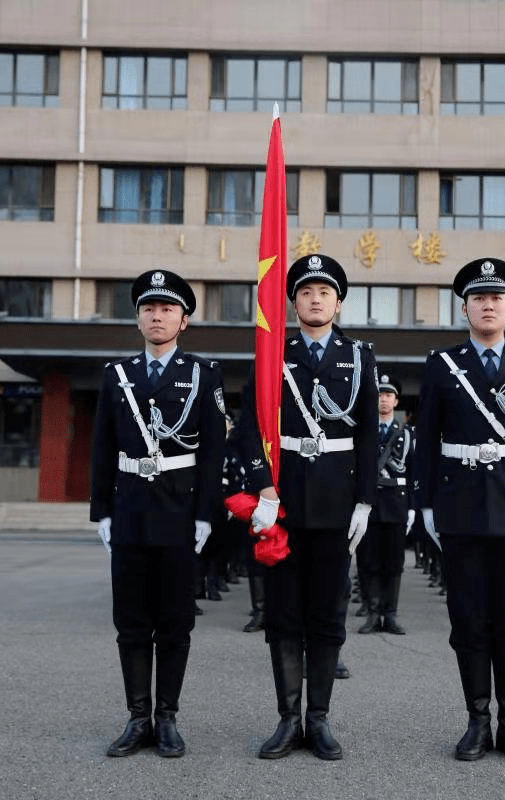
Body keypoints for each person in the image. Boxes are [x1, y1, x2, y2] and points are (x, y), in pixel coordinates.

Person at [416, 257, 505, 764]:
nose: (488, 305)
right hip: (459, 505)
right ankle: (477, 719)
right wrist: (425, 504)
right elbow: (426, 440)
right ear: (465, 308)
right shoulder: (441, 363)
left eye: (496, 297)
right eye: (479, 298)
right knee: (468, 617)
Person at [239, 253, 378, 761]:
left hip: (336, 504)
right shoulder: (272, 351)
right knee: (283, 615)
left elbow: (366, 433)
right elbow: (250, 427)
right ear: (292, 301)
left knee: (327, 615)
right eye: (305, 292)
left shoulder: (360, 356)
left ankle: (318, 720)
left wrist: (365, 499)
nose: (315, 299)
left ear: (338, 302)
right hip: (284, 502)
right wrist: (263, 488)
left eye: (324, 292)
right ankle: (285, 719)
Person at [90, 269, 227, 758]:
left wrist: (207, 514)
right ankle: (136, 716)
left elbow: (213, 451)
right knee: (130, 621)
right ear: (138, 317)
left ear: (183, 320)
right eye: (148, 308)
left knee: (173, 622)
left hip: (179, 512)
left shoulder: (203, 374)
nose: (156, 315)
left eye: (167, 308)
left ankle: (166, 716)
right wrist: (100, 510)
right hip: (129, 511)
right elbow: (102, 446)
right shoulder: (116, 375)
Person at [357, 374, 417, 635]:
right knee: (368, 560)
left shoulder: (408, 433)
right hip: (368, 503)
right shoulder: (362, 430)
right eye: (380, 395)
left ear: (396, 401)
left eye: (388, 395)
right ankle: (372, 613)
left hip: (396, 502)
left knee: (393, 562)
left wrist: (414, 506)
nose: (383, 399)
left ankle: (390, 614)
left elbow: (415, 471)